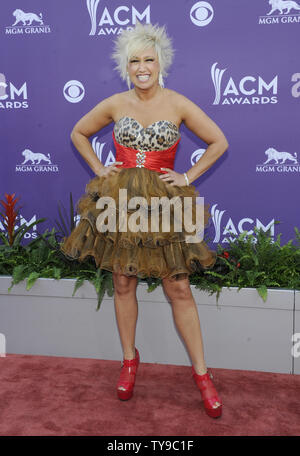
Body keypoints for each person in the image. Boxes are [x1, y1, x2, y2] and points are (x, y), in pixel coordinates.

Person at [60, 22, 228, 419]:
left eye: (148, 59)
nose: (141, 67)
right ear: (125, 65)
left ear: (160, 62)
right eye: (134, 60)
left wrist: (186, 177)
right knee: (122, 280)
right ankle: (129, 361)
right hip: (120, 200)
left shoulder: (179, 103)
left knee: (179, 287)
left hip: (165, 202)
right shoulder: (116, 103)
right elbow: (79, 133)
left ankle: (202, 375)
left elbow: (219, 141)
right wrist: (101, 169)